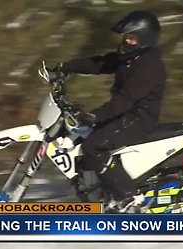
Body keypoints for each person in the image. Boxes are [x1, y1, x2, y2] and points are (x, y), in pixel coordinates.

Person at [47, 10, 166, 212]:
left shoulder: (149, 66)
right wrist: (65, 67)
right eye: (125, 38)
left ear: (145, 39)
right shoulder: (132, 57)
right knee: (82, 139)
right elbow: (100, 63)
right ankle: (101, 192)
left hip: (138, 118)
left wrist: (93, 116)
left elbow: (124, 102)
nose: (126, 42)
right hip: (125, 114)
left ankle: (129, 195)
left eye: (132, 39)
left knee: (93, 146)